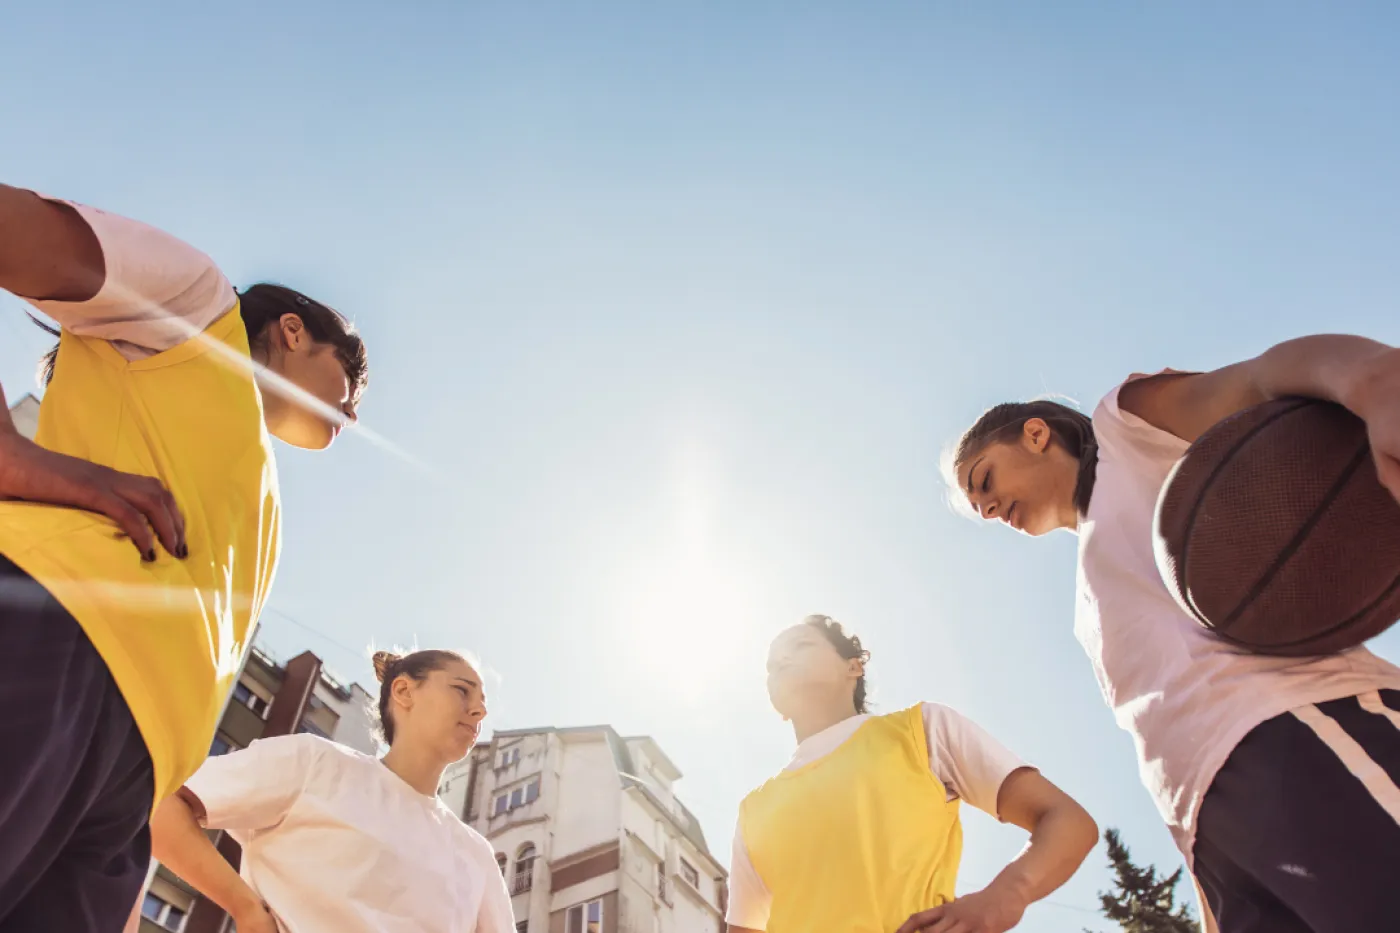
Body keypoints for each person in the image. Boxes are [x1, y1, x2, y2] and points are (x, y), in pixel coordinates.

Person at [0, 183, 368, 931]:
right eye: (350, 375)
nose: (355, 409)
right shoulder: (198, 304)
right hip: (55, 646)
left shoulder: (260, 498)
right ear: (293, 330)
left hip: (128, 786)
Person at [947, 335, 1400, 932]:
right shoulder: (1089, 596)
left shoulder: (1125, 430)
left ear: (1036, 435)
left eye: (983, 480)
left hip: (1295, 724)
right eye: (975, 507)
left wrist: (1376, 380)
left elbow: (1260, 377)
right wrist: (1210, 892)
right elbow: (1162, 732)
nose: (985, 509)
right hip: (1215, 831)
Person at [726, 614, 1098, 933]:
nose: (783, 662)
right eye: (773, 665)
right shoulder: (754, 811)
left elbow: (1068, 821)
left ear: (853, 666)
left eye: (801, 645)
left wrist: (1003, 896)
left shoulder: (921, 729)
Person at [149, 648, 514, 933]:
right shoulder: (315, 764)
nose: (479, 710)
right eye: (462, 690)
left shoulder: (475, 854)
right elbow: (160, 804)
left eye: (482, 702)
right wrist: (247, 909)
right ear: (403, 690)